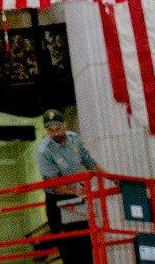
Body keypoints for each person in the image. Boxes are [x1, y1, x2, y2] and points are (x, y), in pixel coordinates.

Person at [36, 109, 102, 264]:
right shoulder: (43, 151)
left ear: (64, 125)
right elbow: (54, 185)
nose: (54, 133)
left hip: (77, 197)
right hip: (57, 200)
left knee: (85, 244)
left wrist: (110, 178)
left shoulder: (74, 139)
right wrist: (74, 190)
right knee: (68, 250)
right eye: (50, 130)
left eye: (57, 129)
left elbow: (89, 162)